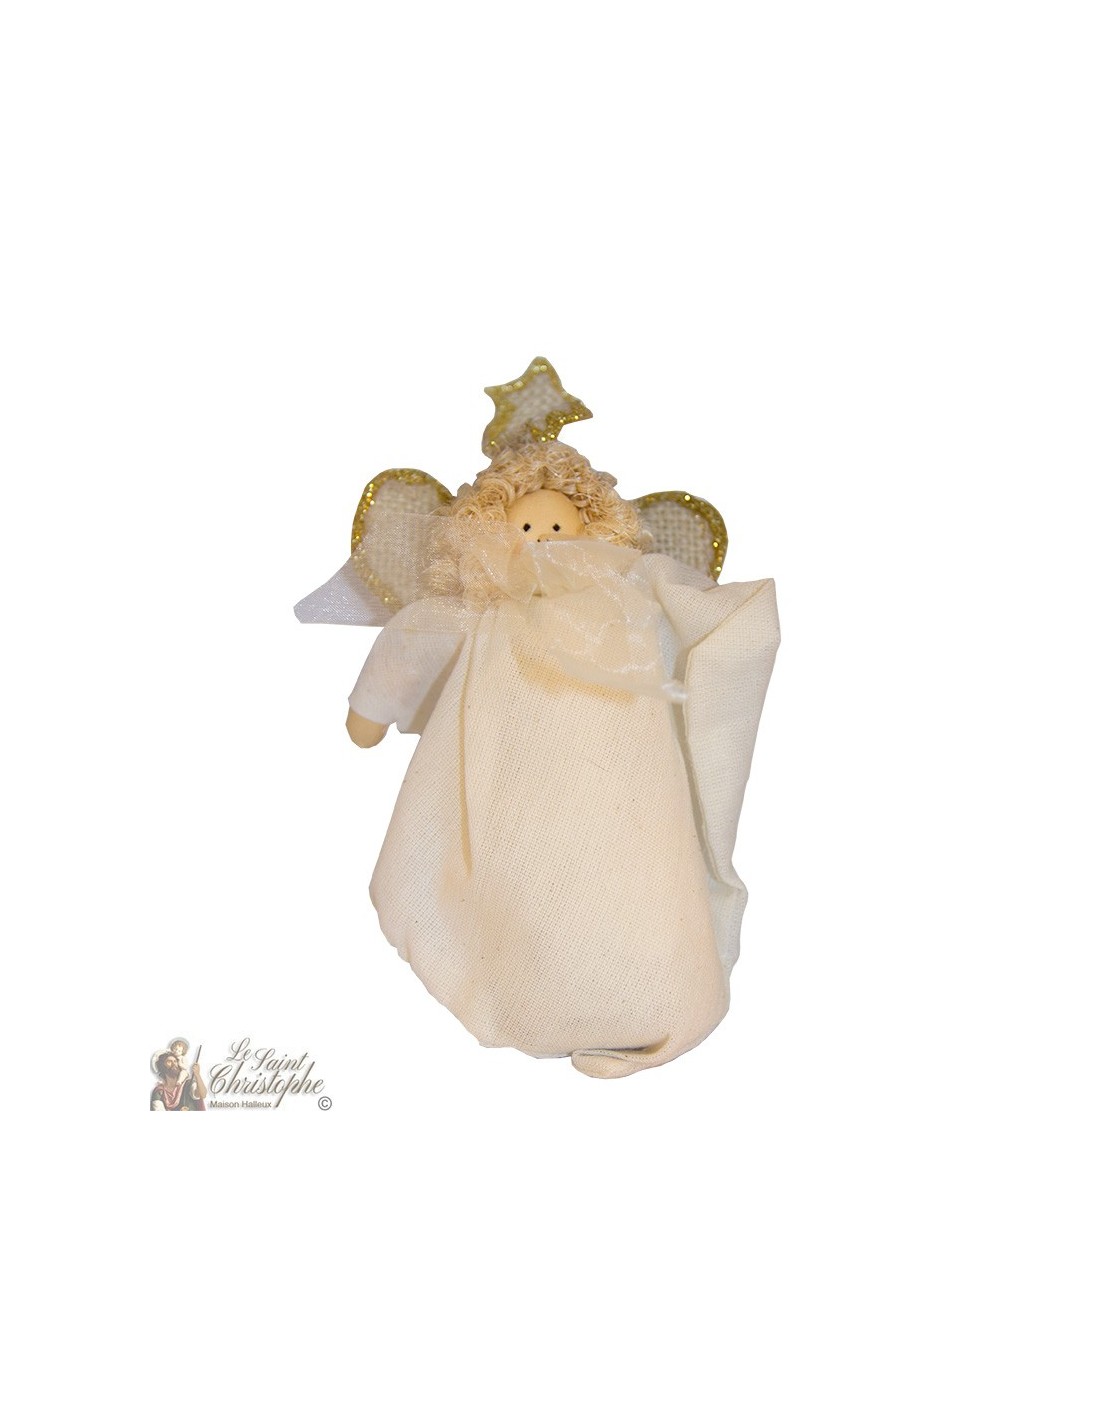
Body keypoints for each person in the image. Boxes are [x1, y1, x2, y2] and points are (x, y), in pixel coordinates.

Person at [345, 440, 779, 1077]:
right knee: (526, 874)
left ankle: (655, 996)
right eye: (526, 528)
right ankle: (538, 992)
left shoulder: (629, 601)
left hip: (625, 785)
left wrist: (734, 614)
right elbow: (411, 643)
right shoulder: (478, 618)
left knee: (635, 879)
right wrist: (369, 716)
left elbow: (699, 612)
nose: (545, 541)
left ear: (595, 527)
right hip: (514, 780)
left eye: (558, 527)